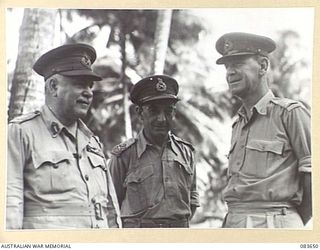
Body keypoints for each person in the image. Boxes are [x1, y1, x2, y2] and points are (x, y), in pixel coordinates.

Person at [6, 44, 121, 229]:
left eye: (90, 86)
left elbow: (110, 211)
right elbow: (9, 208)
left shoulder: (92, 142)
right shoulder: (21, 133)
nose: (89, 92)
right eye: (79, 84)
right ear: (53, 86)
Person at [215, 32, 311, 228]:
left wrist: (290, 222)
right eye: (227, 66)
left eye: (238, 63)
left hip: (275, 223)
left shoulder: (290, 113)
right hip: (233, 223)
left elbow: (313, 175)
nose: (229, 72)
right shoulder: (238, 124)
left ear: (263, 66)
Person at [109, 75, 200, 228]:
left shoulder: (186, 152)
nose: (162, 119)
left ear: (174, 113)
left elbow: (192, 199)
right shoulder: (124, 156)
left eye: (168, 111)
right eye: (153, 111)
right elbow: (111, 205)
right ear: (139, 113)